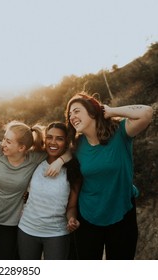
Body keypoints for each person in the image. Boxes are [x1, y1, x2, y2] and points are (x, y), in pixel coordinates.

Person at [0, 121, 70, 259]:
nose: (3, 143)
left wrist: (60, 161)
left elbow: (71, 150)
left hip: (10, 226)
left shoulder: (34, 158)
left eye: (8, 142)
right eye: (4, 139)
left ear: (22, 147)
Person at [65, 92, 153, 260]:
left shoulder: (120, 132)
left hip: (122, 211)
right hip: (88, 215)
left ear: (92, 111)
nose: (72, 116)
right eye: (69, 114)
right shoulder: (77, 145)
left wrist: (110, 111)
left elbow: (147, 112)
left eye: (76, 111)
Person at [17, 122, 82, 260]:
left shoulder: (73, 172)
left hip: (56, 233)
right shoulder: (35, 159)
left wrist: (72, 219)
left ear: (66, 142)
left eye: (59, 138)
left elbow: (71, 206)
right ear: (44, 139)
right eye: (49, 137)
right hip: (27, 229)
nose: (53, 142)